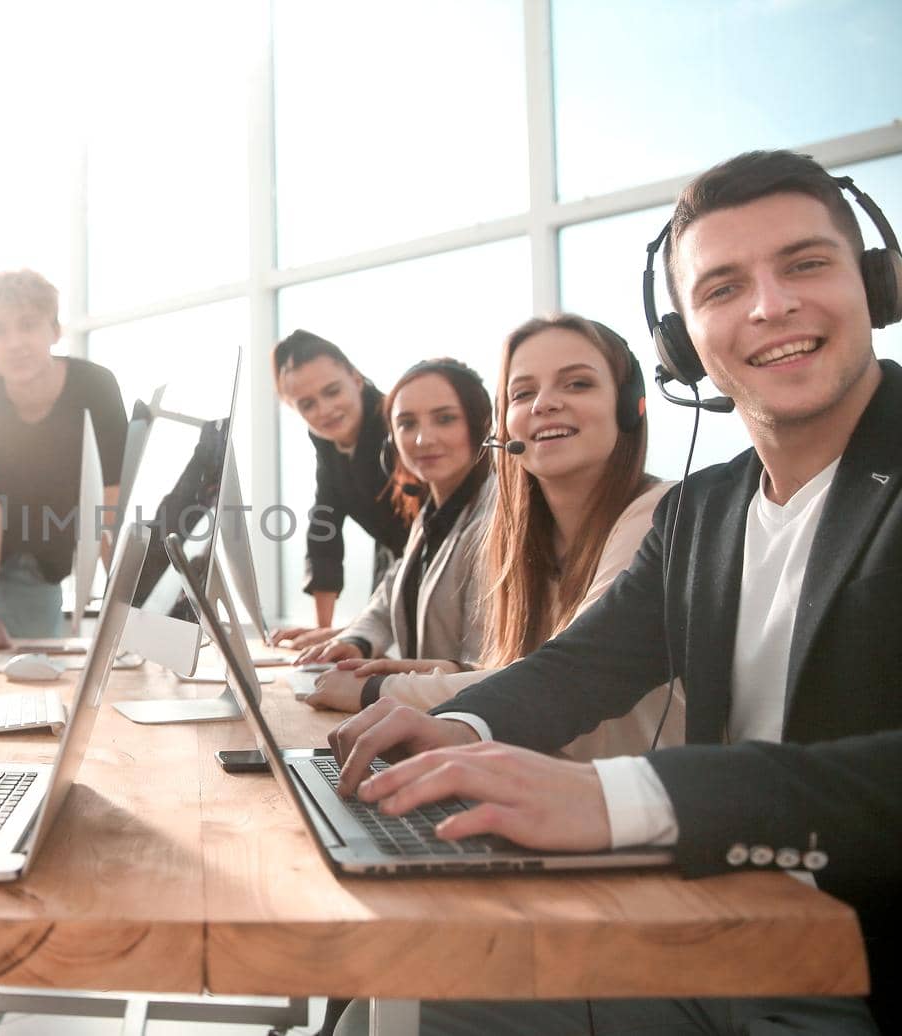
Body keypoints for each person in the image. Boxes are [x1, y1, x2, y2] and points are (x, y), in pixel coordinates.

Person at [330, 150, 900, 1033]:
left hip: (853, 966)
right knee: (403, 987)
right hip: (720, 927)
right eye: (720, 288)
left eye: (805, 264)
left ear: (877, 284)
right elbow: (582, 665)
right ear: (684, 345)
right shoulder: (707, 509)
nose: (769, 305)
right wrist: (458, 726)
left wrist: (627, 799)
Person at [305, 317, 684, 761]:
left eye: (577, 384)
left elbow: (568, 679)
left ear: (629, 405)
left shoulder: (659, 515)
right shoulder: (521, 534)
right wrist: (445, 670)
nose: (544, 404)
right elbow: (525, 666)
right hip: (538, 781)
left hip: (632, 810)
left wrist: (377, 689)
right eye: (522, 393)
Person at [0, 269, 127, 643]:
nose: (14, 342)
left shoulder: (97, 387)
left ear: (55, 330)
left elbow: (108, 507)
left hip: (42, 568)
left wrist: (128, 612)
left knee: (41, 678)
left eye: (28, 325)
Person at [288, 359, 496, 673]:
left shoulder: (494, 524)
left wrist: (376, 686)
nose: (423, 439)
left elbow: (484, 670)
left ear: (481, 425)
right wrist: (356, 641)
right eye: (407, 424)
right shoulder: (431, 513)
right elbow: (388, 599)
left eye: (445, 419)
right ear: (392, 440)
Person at [267, 330, 409, 645]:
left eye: (332, 391)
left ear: (356, 379)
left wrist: (347, 633)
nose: (325, 410)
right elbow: (324, 529)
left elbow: (432, 535)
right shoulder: (327, 444)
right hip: (398, 570)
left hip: (447, 568)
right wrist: (323, 630)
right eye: (307, 404)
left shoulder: (399, 427)